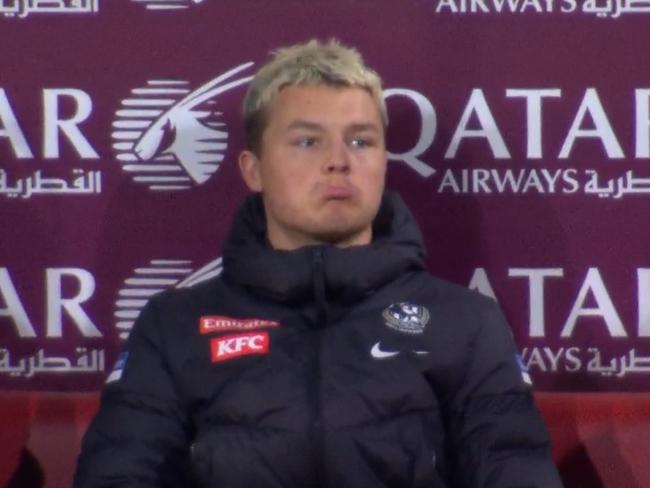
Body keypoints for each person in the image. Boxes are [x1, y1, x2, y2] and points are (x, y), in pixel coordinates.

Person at [75, 39, 563, 488]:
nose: (339, 161)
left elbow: (518, 471)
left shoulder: (466, 324)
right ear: (254, 170)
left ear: (384, 160)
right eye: (308, 141)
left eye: (361, 141)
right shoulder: (173, 327)